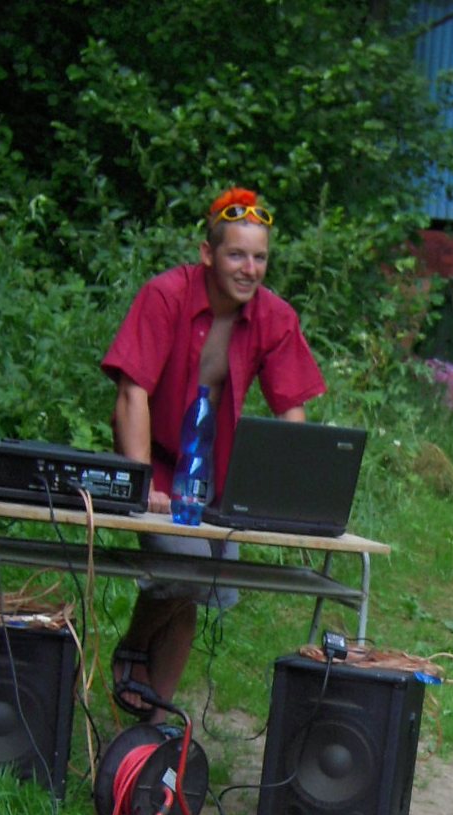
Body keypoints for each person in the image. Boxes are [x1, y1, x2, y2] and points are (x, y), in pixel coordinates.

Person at [102, 187, 326, 719]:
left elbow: (291, 411)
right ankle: (134, 647)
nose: (250, 269)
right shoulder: (165, 295)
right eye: (236, 255)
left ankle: (156, 724)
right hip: (157, 461)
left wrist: (298, 497)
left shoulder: (274, 316)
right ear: (208, 253)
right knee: (187, 569)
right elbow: (131, 393)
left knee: (206, 586)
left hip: (216, 475)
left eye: (260, 257)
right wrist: (142, 485)